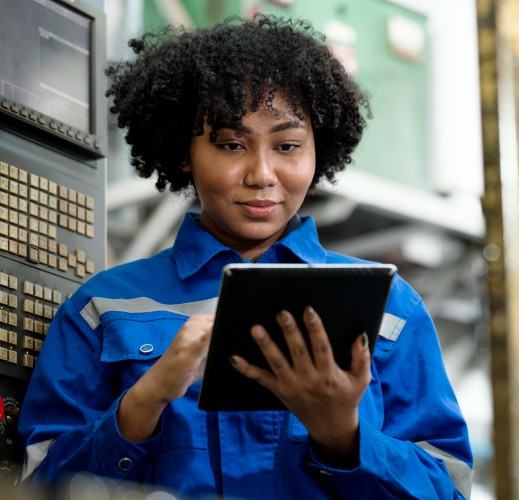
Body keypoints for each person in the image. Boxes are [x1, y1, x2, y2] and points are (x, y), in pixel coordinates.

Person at [17, 15, 473, 499]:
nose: (261, 173)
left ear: (319, 150)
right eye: (232, 144)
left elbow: (450, 489)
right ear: (182, 152)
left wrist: (343, 435)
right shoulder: (101, 309)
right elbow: (37, 483)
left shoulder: (389, 309)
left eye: (288, 146)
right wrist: (146, 399)